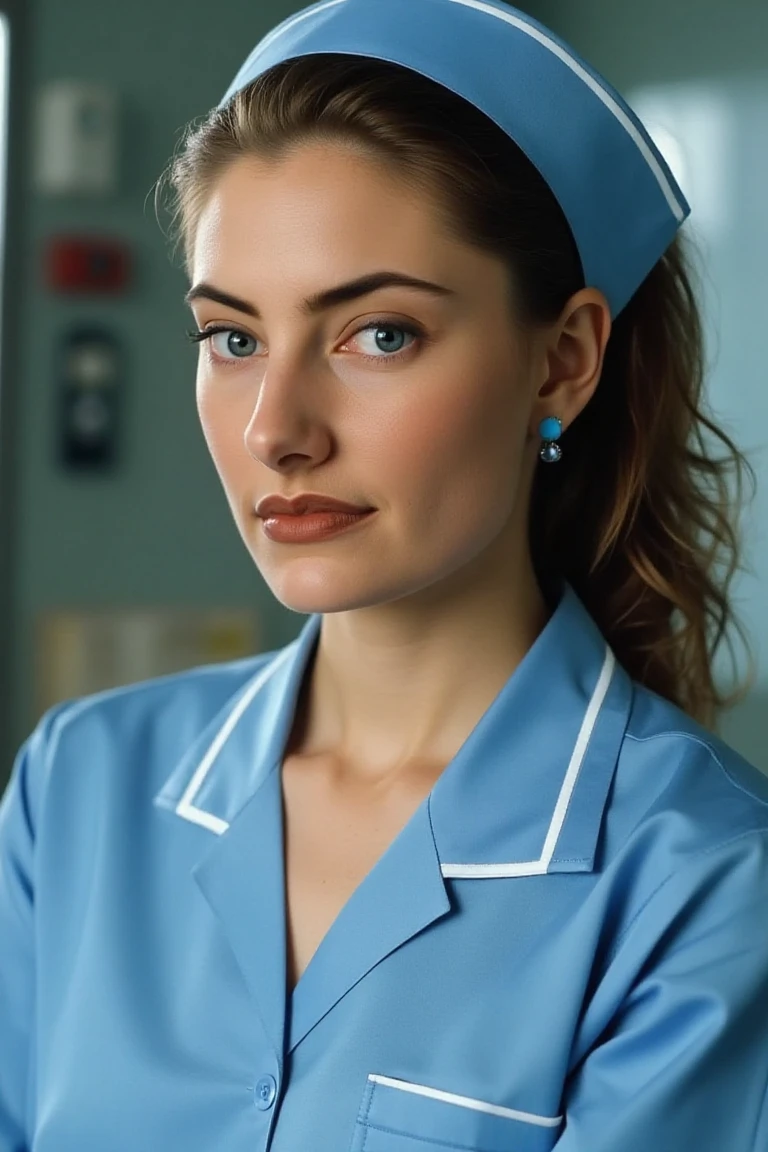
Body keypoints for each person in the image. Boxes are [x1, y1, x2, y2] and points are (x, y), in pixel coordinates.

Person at [2, 0, 767, 1148]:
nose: (277, 430)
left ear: (562, 362)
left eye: (379, 333)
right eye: (234, 338)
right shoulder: (78, 791)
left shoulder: (705, 880)